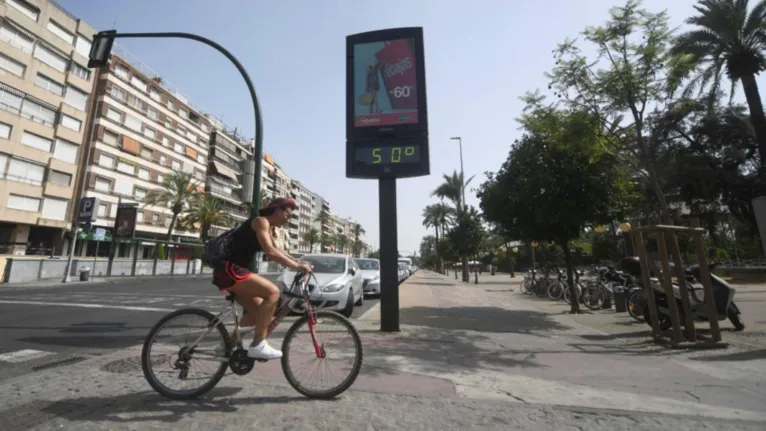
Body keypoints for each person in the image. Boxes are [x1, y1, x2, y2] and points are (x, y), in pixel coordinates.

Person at [212, 197, 312, 360]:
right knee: (273, 292)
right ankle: (258, 344)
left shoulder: (269, 228)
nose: (288, 219)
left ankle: (226, 346)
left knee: (258, 312)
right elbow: (270, 252)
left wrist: (298, 262)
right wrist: (296, 267)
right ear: (277, 210)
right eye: (288, 214)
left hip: (232, 270)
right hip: (229, 269)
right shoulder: (261, 222)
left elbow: (278, 250)